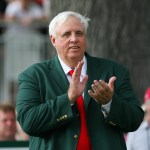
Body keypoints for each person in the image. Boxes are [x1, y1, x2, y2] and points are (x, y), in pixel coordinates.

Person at [16, 11, 144, 150]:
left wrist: (109, 103)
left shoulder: (114, 71)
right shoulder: (34, 75)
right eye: (66, 34)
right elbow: (28, 122)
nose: (74, 39)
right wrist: (68, 99)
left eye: (79, 33)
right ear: (53, 40)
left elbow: (135, 120)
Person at [2, 0, 47, 101]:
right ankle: (11, 101)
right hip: (15, 48)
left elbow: (44, 17)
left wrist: (34, 19)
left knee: (31, 75)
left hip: (30, 49)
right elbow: (6, 20)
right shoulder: (13, 7)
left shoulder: (34, 8)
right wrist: (17, 19)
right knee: (12, 76)